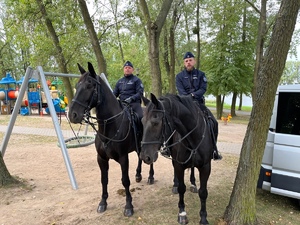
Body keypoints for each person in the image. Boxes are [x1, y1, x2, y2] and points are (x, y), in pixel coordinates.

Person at [176, 52, 222, 160]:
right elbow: (181, 91)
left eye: (190, 60)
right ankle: (168, 148)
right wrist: (188, 98)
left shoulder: (201, 75)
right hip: (185, 104)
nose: (188, 63)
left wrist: (193, 95)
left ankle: (214, 149)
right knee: (173, 121)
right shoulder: (179, 76)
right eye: (186, 61)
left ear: (194, 61)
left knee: (213, 122)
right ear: (184, 63)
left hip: (199, 103)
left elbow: (203, 88)